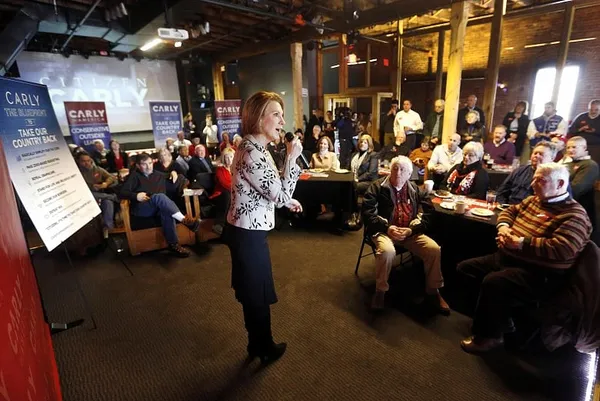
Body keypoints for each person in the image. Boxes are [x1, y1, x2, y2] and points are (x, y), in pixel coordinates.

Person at [458, 162, 592, 353]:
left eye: (540, 180)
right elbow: (509, 211)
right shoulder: (533, 200)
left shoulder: (574, 214)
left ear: (560, 184)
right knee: (465, 269)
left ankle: (490, 337)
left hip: (540, 274)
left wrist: (521, 243)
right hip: (508, 259)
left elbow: (564, 249)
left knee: (494, 283)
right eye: (534, 178)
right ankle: (499, 320)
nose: (532, 184)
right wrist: (504, 228)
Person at [223, 91, 303, 365]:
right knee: (256, 293)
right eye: (276, 114)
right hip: (248, 235)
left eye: (282, 115)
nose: (282, 121)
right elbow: (279, 196)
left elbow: (271, 189)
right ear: (258, 118)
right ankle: (264, 347)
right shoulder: (251, 152)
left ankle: (256, 344)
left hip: (247, 231)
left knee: (253, 291)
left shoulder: (257, 148)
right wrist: (292, 159)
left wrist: (287, 199)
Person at [362, 156, 449, 313]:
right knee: (387, 252)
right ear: (390, 170)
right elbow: (367, 214)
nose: (398, 172)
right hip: (384, 231)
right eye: (395, 168)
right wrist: (387, 228)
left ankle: (433, 290)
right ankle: (380, 291)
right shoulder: (377, 187)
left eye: (402, 170)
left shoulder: (415, 189)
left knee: (434, 249)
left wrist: (412, 229)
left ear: (409, 174)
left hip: (408, 231)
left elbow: (429, 212)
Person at [120, 153, 200, 257]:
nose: (148, 167)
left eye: (150, 163)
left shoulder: (158, 174)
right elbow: (121, 193)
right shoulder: (134, 176)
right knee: (160, 197)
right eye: (144, 164)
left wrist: (174, 172)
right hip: (142, 208)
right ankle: (185, 220)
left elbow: (178, 178)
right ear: (138, 166)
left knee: (166, 209)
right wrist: (136, 196)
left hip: (157, 207)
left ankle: (174, 245)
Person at [77, 152, 118, 238]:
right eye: (83, 161)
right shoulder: (76, 172)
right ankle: (112, 197)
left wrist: (105, 184)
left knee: (108, 202)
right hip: (85, 197)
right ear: (78, 161)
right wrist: (92, 186)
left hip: (100, 196)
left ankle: (109, 229)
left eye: (88, 160)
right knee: (90, 194)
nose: (87, 163)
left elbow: (111, 177)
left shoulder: (97, 169)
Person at [564, 136, 599, 230]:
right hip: (565, 208)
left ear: (584, 148)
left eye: (574, 147)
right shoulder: (567, 163)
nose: (570, 150)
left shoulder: (590, 165)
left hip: (580, 211)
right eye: (568, 147)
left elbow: (576, 190)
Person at [210, 147, 235, 236]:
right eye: (227, 157)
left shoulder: (236, 169)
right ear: (223, 158)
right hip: (220, 194)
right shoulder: (220, 169)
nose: (229, 160)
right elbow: (225, 184)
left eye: (231, 157)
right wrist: (238, 189)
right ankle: (219, 224)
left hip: (233, 193)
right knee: (227, 194)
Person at [569, 99, 600, 163]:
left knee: (593, 163)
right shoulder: (581, 117)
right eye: (591, 110)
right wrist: (581, 129)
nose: (593, 112)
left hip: (596, 146)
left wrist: (594, 131)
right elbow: (571, 131)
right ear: (588, 108)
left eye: (596, 110)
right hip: (579, 144)